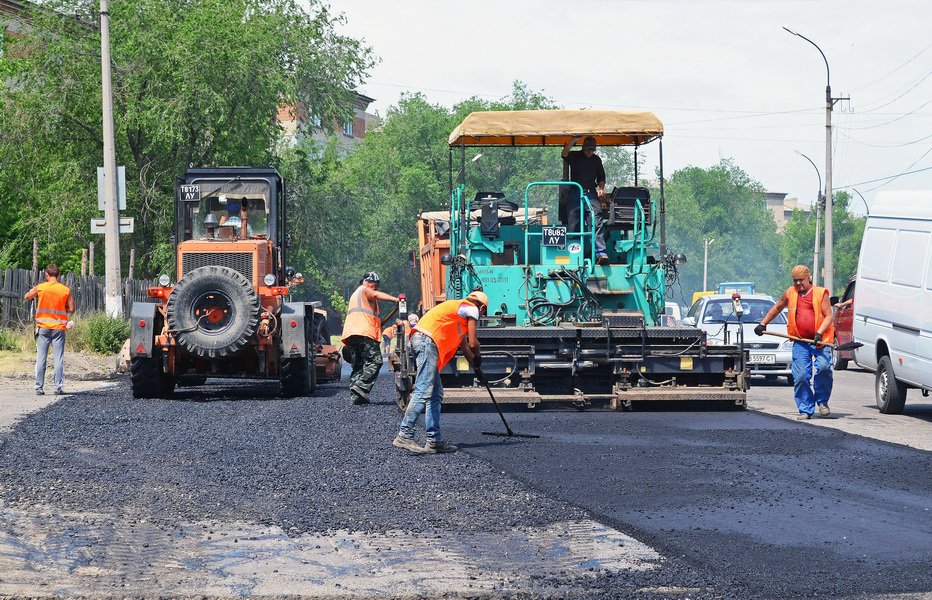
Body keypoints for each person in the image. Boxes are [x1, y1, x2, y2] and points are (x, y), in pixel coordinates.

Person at [393, 290, 487, 454]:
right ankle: (404, 434)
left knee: (435, 393)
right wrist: (479, 358)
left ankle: (434, 441)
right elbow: (473, 344)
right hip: (426, 342)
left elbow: (465, 348)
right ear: (482, 308)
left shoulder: (458, 315)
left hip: (422, 341)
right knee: (423, 389)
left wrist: (477, 369)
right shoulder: (471, 308)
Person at [755, 265, 834, 420]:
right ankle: (805, 408)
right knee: (801, 376)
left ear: (809, 278)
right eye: (795, 280)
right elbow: (777, 307)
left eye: (801, 280)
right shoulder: (790, 293)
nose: (798, 283)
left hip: (820, 340)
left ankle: (822, 401)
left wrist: (819, 333)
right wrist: (763, 324)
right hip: (800, 341)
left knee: (824, 368)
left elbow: (829, 316)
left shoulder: (820, 293)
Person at [340, 272, 399, 405]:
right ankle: (361, 386)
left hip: (352, 334)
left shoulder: (356, 295)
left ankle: (356, 397)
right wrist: (396, 300)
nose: (376, 287)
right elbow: (376, 295)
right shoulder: (364, 290)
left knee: (358, 365)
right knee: (376, 361)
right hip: (365, 333)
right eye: (374, 284)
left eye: (377, 284)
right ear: (366, 281)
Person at [23, 264, 75, 396]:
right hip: (59, 329)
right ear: (58, 275)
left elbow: (26, 296)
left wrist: (38, 295)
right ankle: (58, 387)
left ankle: (39, 387)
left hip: (43, 328)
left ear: (47, 274)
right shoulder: (65, 290)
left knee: (41, 358)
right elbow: (71, 309)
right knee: (58, 358)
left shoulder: (41, 287)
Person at [562, 135, 609, 266]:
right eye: (587, 149)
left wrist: (601, 188)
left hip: (591, 193)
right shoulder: (575, 156)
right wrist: (573, 140)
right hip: (575, 192)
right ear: (582, 147)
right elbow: (564, 153)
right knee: (573, 222)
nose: (589, 152)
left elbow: (601, 177)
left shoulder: (596, 160)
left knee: (596, 220)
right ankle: (574, 255)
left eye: (592, 150)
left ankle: (601, 253)